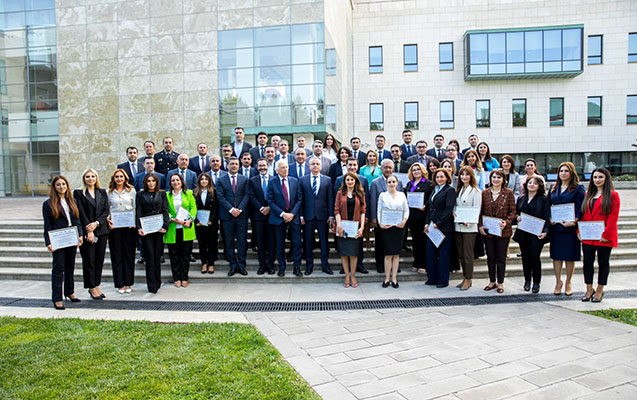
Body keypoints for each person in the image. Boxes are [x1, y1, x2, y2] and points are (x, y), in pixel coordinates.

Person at [580, 167, 620, 303]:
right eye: (595, 177)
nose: (597, 180)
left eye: (600, 177)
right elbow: (584, 214)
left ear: (606, 178)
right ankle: (589, 289)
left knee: (603, 262)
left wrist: (606, 234)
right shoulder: (588, 195)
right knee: (587, 262)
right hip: (588, 235)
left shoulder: (613, 195)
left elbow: (613, 216)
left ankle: (599, 290)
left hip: (604, 236)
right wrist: (579, 231)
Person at [43, 175, 83, 310]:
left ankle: (69, 292)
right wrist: (48, 242)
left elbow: (77, 220)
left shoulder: (72, 201)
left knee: (70, 267)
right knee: (58, 268)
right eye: (58, 185)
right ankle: (57, 298)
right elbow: (47, 225)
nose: (62, 187)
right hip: (58, 239)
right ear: (54, 187)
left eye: (64, 184)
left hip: (71, 237)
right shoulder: (48, 204)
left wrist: (80, 234)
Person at [549, 162, 585, 296]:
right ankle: (558, 282)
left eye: (566, 171)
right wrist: (550, 218)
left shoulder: (578, 188)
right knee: (556, 257)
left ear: (572, 173)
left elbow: (581, 208)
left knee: (570, 257)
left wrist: (574, 221)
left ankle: (568, 282)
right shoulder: (553, 187)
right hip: (556, 228)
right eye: (561, 171)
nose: (563, 173)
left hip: (570, 229)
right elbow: (548, 205)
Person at [74, 168, 110, 300]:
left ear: (96, 178)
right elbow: (80, 212)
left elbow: (106, 210)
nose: (90, 179)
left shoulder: (102, 192)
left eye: (93, 176)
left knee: (99, 260)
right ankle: (91, 286)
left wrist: (97, 223)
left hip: (101, 230)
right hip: (87, 231)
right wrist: (89, 230)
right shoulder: (78, 193)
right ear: (84, 179)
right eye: (88, 177)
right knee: (89, 260)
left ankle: (96, 285)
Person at [479, 170, 516, 293]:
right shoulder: (485, 193)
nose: (496, 179)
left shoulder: (508, 193)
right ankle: (492, 281)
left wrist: (506, 222)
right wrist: (480, 225)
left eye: (499, 177)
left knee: (501, 258)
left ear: (503, 179)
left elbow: (513, 211)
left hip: (503, 231)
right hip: (489, 231)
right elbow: (481, 211)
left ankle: (500, 283)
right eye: (494, 177)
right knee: (490, 257)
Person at [513, 175, 550, 293]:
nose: (532, 185)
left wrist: (546, 231)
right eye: (530, 183)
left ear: (539, 186)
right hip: (523, 233)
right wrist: (517, 217)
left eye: (535, 183)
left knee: (535, 257)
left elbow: (547, 216)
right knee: (525, 257)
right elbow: (516, 213)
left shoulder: (543, 199)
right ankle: (527, 280)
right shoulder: (521, 198)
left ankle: (536, 282)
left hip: (537, 233)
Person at [334, 158, 370, 275]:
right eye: (350, 165)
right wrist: (337, 222)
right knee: (344, 245)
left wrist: (365, 219)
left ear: (358, 166)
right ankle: (345, 267)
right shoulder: (339, 180)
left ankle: (359, 265)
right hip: (343, 220)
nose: (352, 167)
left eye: (354, 165)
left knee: (357, 245)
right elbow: (336, 203)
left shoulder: (363, 180)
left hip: (357, 219)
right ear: (346, 166)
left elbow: (365, 202)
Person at [268, 160, 303, 277]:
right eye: (282, 167)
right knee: (280, 244)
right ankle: (281, 267)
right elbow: (270, 201)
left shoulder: (294, 181)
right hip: (278, 218)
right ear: (277, 170)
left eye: (287, 167)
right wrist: (283, 214)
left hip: (294, 217)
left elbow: (299, 199)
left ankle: (297, 267)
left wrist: (292, 214)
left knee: (297, 243)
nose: (285, 169)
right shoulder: (272, 182)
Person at [300, 157, 335, 275]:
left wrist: (331, 215)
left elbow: (330, 198)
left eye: (317, 164)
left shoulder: (327, 180)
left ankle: (325, 265)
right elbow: (301, 199)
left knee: (324, 242)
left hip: (322, 216)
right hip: (308, 216)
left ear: (321, 166)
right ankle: (309, 266)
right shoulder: (302, 180)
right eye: (313, 164)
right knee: (308, 242)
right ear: (309, 166)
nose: (315, 166)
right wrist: (301, 215)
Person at [136, 173, 169, 293]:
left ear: (156, 182)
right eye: (149, 181)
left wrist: (165, 226)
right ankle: (151, 284)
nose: (151, 183)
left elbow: (165, 210)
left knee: (157, 256)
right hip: (146, 229)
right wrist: (139, 227)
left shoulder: (162, 194)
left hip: (158, 228)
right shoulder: (140, 194)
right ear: (145, 183)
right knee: (149, 256)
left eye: (153, 181)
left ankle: (157, 282)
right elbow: (138, 211)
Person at [216, 157, 250, 276]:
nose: (234, 166)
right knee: (229, 242)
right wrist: (231, 209)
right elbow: (220, 197)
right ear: (227, 166)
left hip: (241, 216)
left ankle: (242, 265)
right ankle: (233, 265)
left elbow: (247, 195)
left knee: (242, 241)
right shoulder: (221, 180)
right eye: (232, 164)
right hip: (227, 216)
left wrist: (239, 209)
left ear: (239, 166)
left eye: (236, 164)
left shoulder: (244, 179)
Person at [370, 159, 404, 273]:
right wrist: (374, 218)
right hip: (382, 220)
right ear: (381, 169)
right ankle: (380, 265)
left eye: (390, 167)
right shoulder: (375, 183)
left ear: (393, 169)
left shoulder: (399, 183)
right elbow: (373, 201)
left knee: (394, 244)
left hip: (396, 220)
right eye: (385, 167)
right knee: (380, 243)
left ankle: (394, 266)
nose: (388, 169)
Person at [424, 169, 456, 288]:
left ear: (447, 178)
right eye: (437, 177)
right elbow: (431, 209)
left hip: (444, 228)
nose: (439, 179)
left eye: (442, 177)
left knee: (443, 255)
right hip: (432, 228)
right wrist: (426, 223)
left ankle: (442, 280)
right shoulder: (435, 190)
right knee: (430, 253)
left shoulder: (450, 190)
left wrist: (439, 223)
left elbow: (448, 209)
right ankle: (431, 278)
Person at [106, 169, 137, 294]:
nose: (119, 179)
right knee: (117, 255)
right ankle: (120, 284)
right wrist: (108, 220)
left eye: (121, 176)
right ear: (113, 178)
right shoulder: (109, 192)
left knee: (129, 255)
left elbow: (135, 207)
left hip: (129, 227)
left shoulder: (131, 191)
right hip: (115, 228)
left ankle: (128, 282)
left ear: (125, 178)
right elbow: (107, 208)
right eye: (117, 177)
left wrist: (134, 221)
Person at [165, 173, 197, 288]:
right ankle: (176, 277)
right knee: (174, 255)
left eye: (177, 180)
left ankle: (184, 277)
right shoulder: (166, 195)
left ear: (181, 181)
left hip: (186, 228)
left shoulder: (188, 193)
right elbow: (164, 209)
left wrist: (190, 220)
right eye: (173, 180)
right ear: (170, 183)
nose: (176, 182)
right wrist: (171, 218)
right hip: (173, 228)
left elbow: (193, 208)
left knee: (185, 255)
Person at [377, 175, 409, 288]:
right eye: (389, 182)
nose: (391, 184)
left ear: (397, 183)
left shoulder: (402, 195)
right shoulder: (382, 195)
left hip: (399, 227)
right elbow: (379, 210)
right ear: (386, 184)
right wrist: (381, 223)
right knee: (387, 255)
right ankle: (387, 278)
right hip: (387, 228)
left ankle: (394, 278)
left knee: (396, 254)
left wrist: (404, 221)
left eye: (393, 182)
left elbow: (406, 210)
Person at [454, 167, 482, 291]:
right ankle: (465, 277)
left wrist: (469, 220)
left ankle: (468, 278)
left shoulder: (475, 191)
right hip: (458, 226)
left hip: (469, 227)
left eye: (467, 175)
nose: (464, 177)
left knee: (468, 254)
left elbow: (477, 209)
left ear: (471, 176)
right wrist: (454, 212)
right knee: (461, 254)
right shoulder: (459, 190)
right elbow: (456, 205)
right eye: (462, 175)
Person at [404, 162, 433, 274]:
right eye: (414, 170)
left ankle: (423, 264)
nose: (416, 172)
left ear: (423, 171)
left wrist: (425, 205)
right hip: (412, 217)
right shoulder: (409, 184)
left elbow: (431, 199)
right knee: (415, 241)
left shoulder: (428, 183)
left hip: (422, 216)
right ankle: (416, 262)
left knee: (422, 241)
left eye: (418, 169)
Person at [249, 159, 276, 275]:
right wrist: (261, 208)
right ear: (257, 167)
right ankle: (262, 265)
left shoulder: (274, 179)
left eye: (264, 165)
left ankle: (270, 265)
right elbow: (251, 196)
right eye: (260, 166)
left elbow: (276, 196)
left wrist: (269, 207)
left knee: (271, 241)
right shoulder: (252, 180)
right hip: (258, 215)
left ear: (268, 166)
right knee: (260, 242)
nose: (262, 168)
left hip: (272, 215)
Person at [194, 173, 219, 274]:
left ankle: (211, 263)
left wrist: (212, 220)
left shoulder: (214, 192)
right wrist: (196, 221)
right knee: (202, 244)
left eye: (206, 179)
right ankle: (204, 263)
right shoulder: (195, 193)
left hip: (211, 223)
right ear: (199, 181)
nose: (204, 181)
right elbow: (193, 208)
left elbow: (216, 207)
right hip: (199, 224)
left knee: (212, 243)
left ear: (209, 181)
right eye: (202, 179)